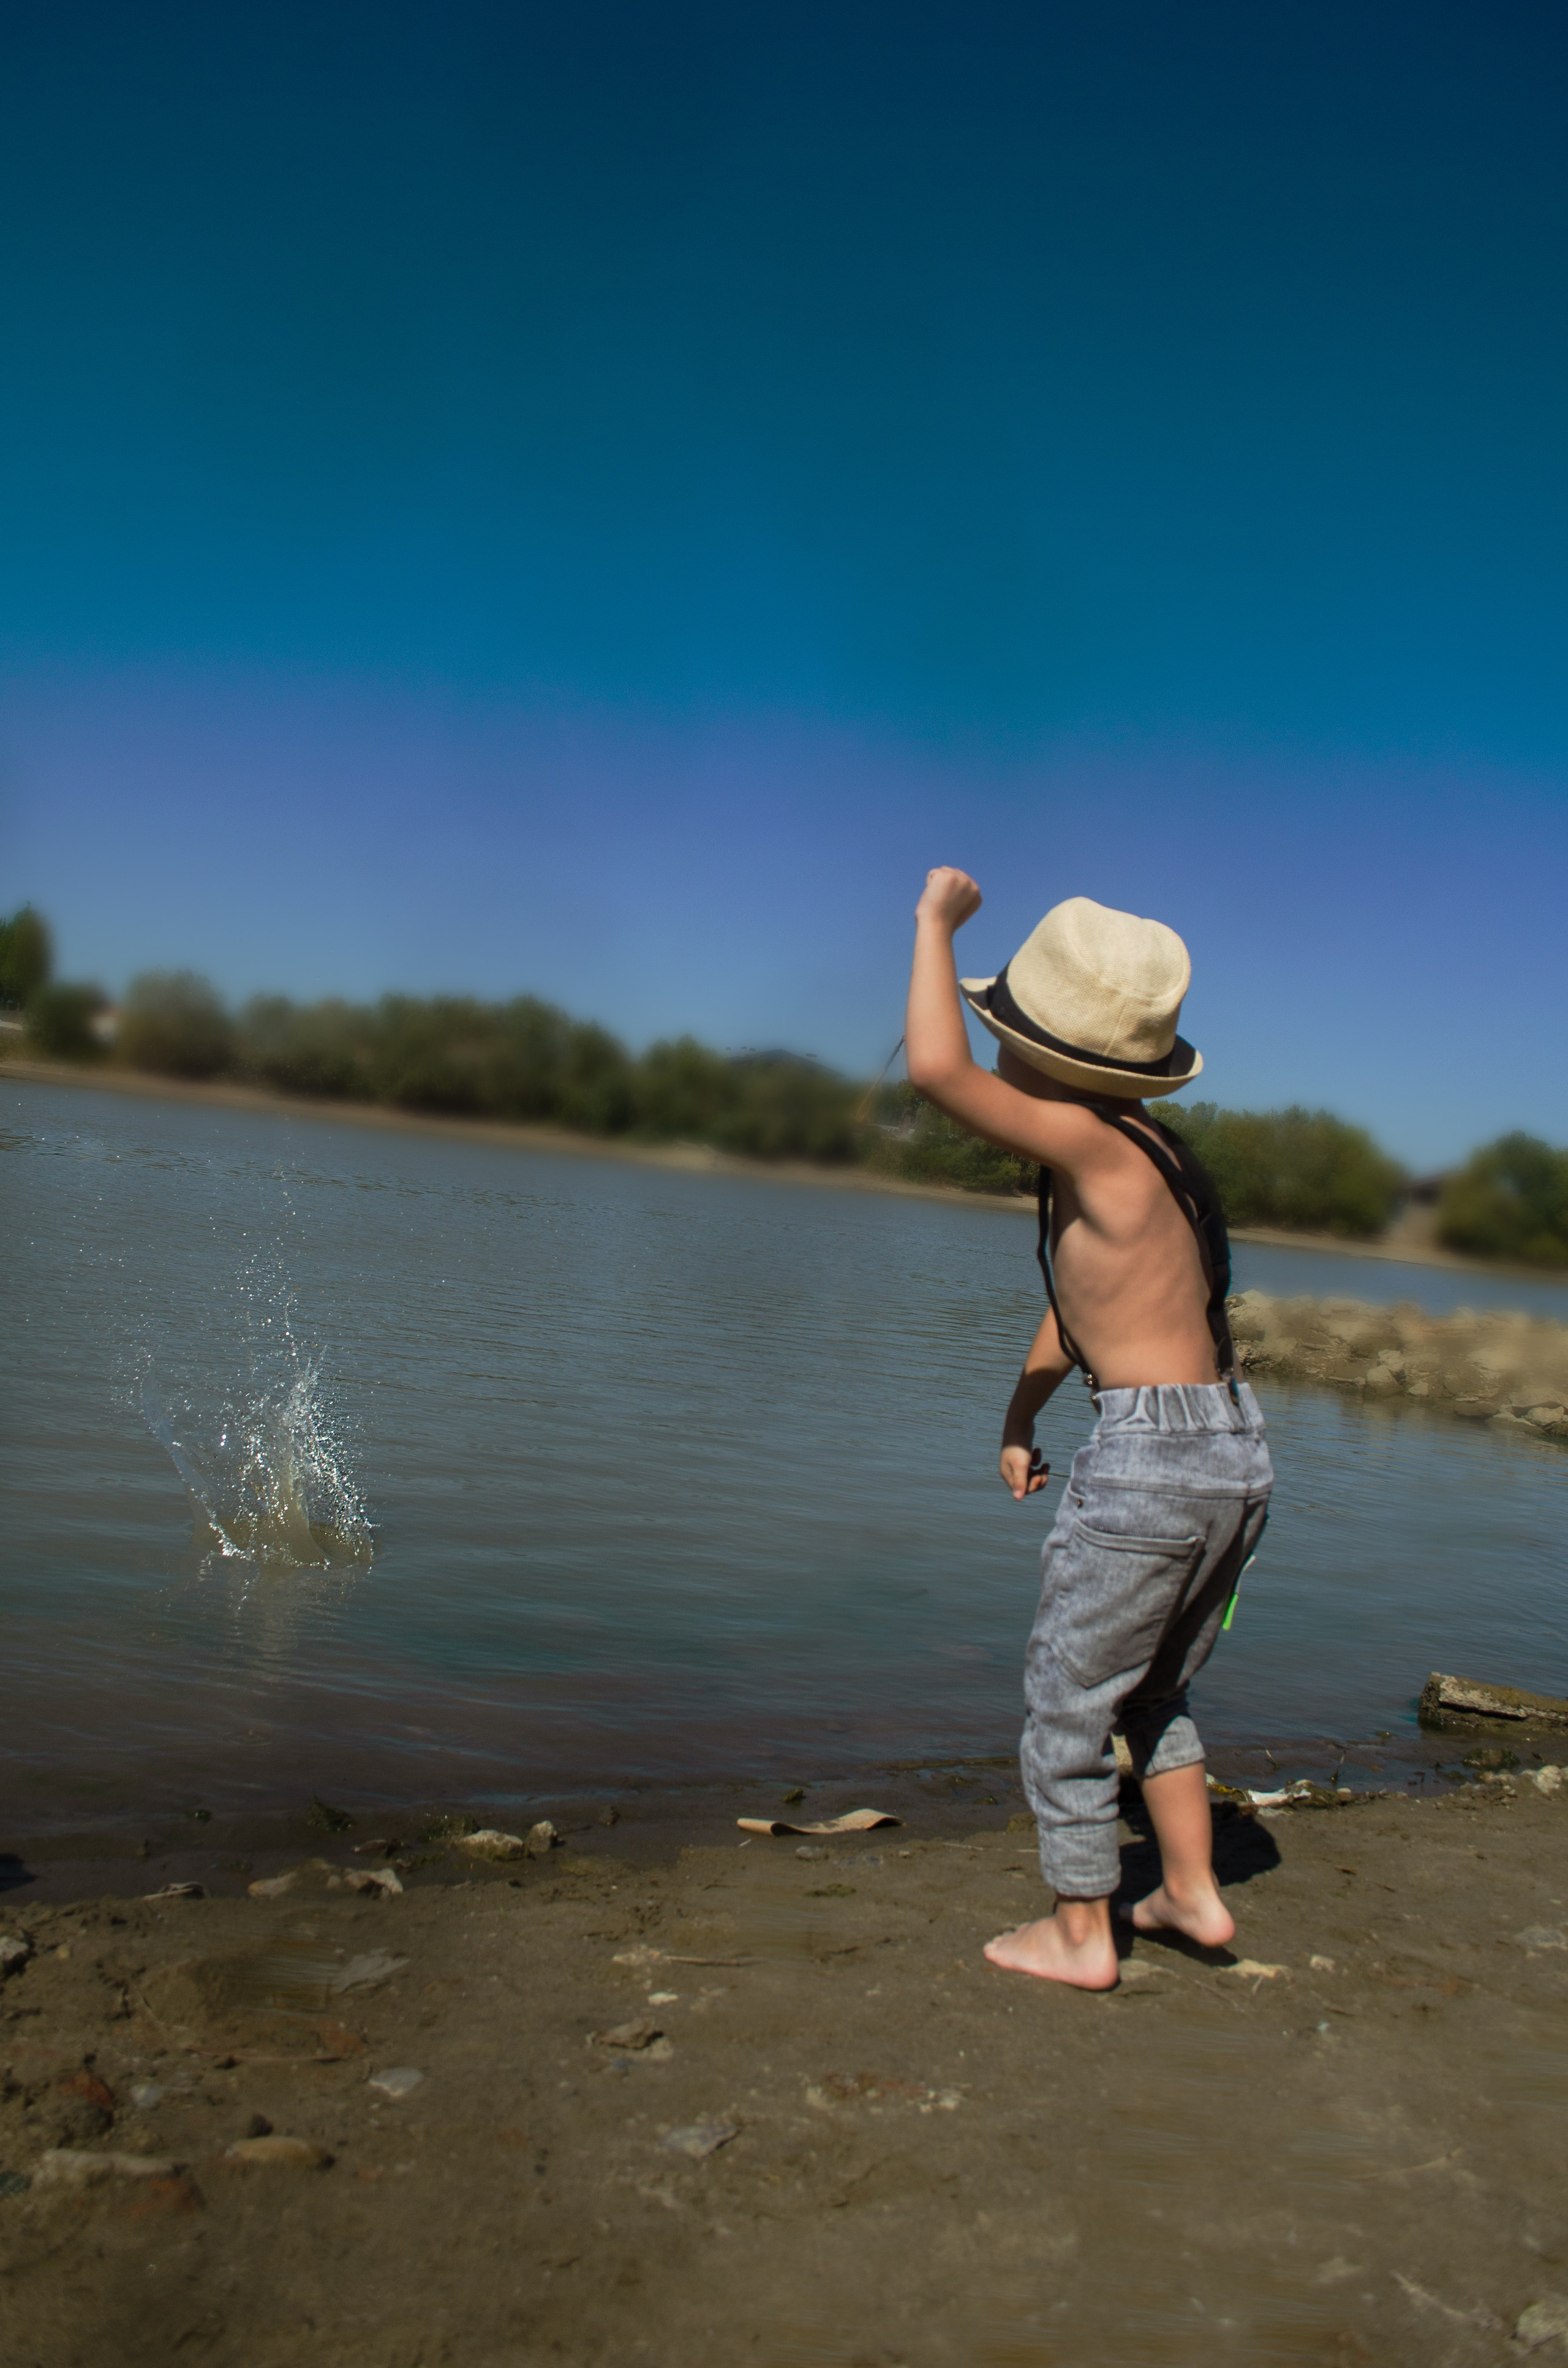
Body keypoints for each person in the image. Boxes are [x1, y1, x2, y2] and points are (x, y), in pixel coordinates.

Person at [904, 869, 1273, 1990]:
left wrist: (933, 925)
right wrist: (1019, 1417)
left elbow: (931, 1068)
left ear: (1040, 1056)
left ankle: (1079, 1928)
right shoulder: (1148, 1159)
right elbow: (1078, 1318)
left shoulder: (1091, 1142)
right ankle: (1192, 1892)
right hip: (1230, 1451)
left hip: (1154, 1462)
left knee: (1068, 1690)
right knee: (1152, 1688)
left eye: (1003, 1031)